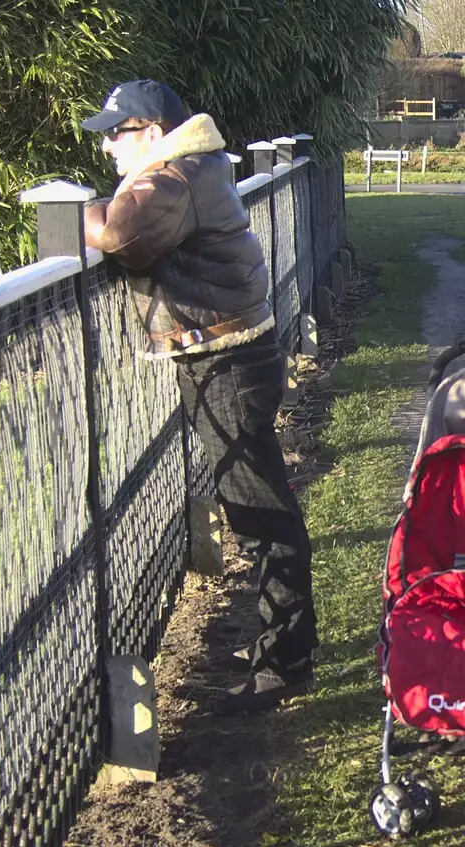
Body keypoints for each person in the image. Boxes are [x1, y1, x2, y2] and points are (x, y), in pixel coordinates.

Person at [81, 80, 318, 715]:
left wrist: (77, 211)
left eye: (116, 133)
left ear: (152, 132)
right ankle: (279, 641)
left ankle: (285, 662)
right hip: (232, 354)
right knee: (254, 507)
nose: (107, 146)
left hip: (230, 360)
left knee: (261, 514)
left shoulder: (170, 178)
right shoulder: (192, 166)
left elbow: (119, 238)